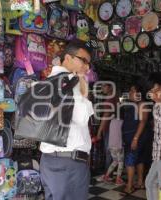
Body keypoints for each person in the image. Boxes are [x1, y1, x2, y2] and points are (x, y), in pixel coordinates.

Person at [39, 40, 94, 200]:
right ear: (68, 58)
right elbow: (83, 117)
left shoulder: (48, 80)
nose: (87, 67)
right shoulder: (70, 83)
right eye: (84, 60)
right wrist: (82, 82)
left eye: (88, 63)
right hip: (68, 162)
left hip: (49, 161)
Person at [121, 83, 152, 193]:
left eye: (132, 90)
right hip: (136, 136)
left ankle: (129, 186)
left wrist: (135, 138)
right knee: (139, 160)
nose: (130, 93)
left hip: (136, 137)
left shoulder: (142, 104)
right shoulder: (135, 104)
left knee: (130, 160)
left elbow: (142, 122)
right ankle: (140, 182)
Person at [97, 109, 124, 185]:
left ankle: (106, 176)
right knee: (121, 162)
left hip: (111, 145)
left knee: (115, 161)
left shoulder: (111, 122)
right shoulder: (122, 122)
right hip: (119, 145)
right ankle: (118, 179)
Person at [96, 82, 119, 171]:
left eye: (104, 86)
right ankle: (112, 171)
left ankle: (107, 172)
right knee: (113, 150)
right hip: (115, 127)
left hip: (110, 127)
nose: (102, 88)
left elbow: (106, 115)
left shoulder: (109, 99)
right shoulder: (115, 98)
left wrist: (99, 131)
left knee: (109, 150)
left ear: (110, 87)